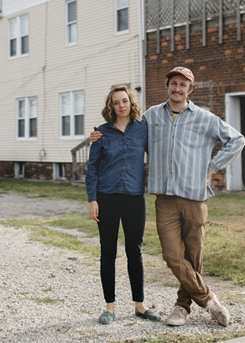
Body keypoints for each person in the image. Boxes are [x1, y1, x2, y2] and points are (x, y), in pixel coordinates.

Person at [91, 67, 245, 327]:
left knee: (193, 258)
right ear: (168, 86)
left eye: (183, 85)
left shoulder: (205, 118)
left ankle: (182, 307)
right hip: (164, 199)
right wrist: (100, 134)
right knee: (173, 256)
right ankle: (209, 300)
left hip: (195, 197)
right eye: (173, 83)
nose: (177, 88)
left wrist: (212, 167)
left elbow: (237, 139)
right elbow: (125, 132)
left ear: (190, 89)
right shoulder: (151, 117)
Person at [85, 84, 161, 325]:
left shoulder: (142, 130)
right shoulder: (101, 133)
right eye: (116, 102)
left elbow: (157, 154)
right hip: (106, 197)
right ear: (111, 106)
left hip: (133, 198)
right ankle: (109, 307)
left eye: (125, 100)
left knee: (134, 251)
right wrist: (92, 199)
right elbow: (92, 168)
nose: (121, 105)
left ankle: (139, 304)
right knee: (108, 252)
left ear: (131, 102)